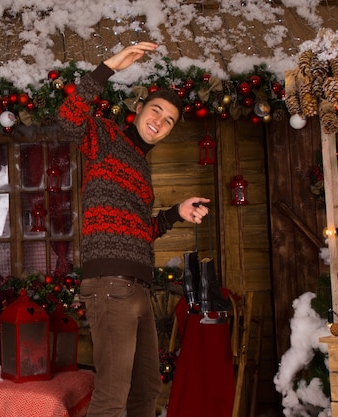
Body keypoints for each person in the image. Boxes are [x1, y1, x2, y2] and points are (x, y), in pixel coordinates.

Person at [55, 42, 211, 417]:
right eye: (156, 110)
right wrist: (108, 67)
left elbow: (140, 231)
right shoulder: (107, 139)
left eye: (169, 120)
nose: (160, 121)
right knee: (112, 394)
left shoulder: (140, 166)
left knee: (146, 389)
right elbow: (68, 116)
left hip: (138, 285)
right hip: (111, 285)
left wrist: (175, 212)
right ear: (139, 109)